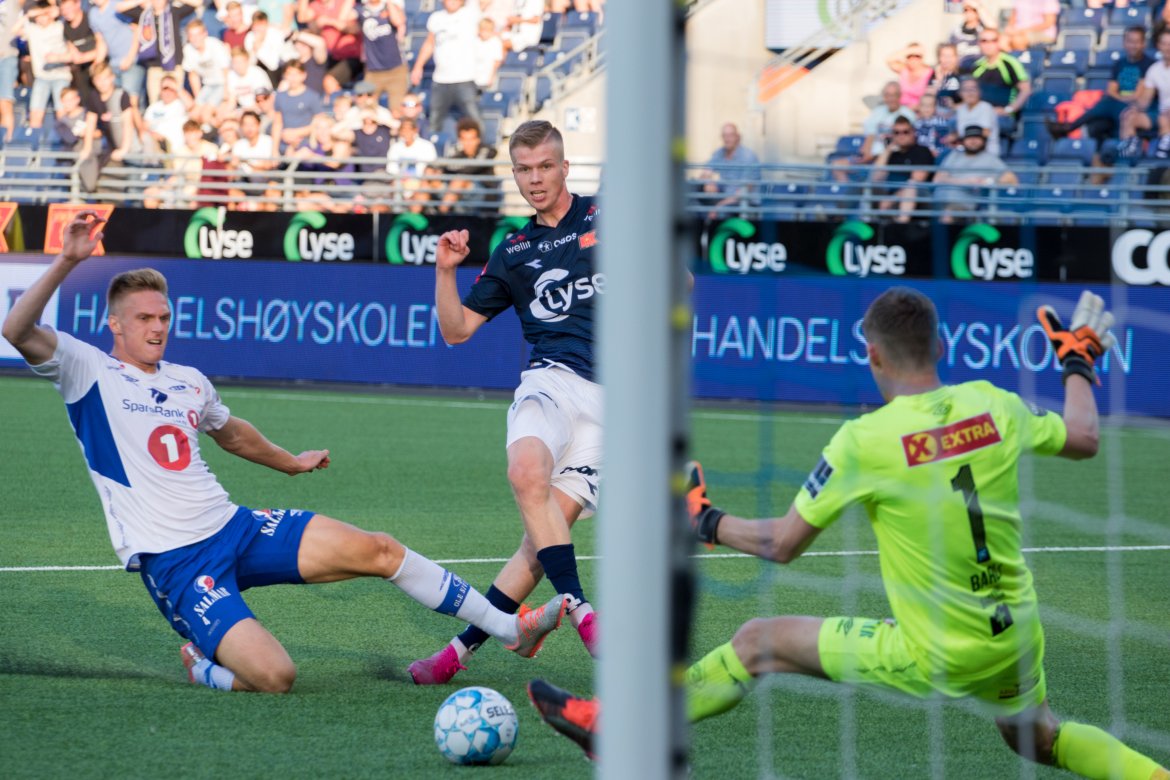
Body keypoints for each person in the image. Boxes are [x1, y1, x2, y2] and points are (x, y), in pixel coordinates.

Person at [527, 287, 1170, 780]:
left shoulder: (865, 441)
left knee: (757, 641)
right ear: (941, 349)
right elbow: (1084, 437)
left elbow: (782, 544)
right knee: (1037, 737)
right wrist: (1079, 363)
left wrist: (705, 520)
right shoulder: (992, 403)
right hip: (1014, 633)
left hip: (935, 649)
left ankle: (615, 728)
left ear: (872, 355)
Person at [0, 211, 568, 694]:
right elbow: (16, 329)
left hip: (235, 527)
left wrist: (289, 461)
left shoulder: (188, 380)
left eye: (164, 317)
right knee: (275, 677)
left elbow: (233, 434)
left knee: (379, 549)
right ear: (114, 322)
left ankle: (508, 629)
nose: (157, 328)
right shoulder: (87, 370)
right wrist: (68, 261)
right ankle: (206, 670)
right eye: (144, 318)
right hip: (176, 563)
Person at [407, 120, 600, 686]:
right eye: (524, 169)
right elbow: (457, 329)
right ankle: (585, 613)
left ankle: (456, 654)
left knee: (542, 545)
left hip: (617, 405)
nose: (535, 179)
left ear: (565, 167)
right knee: (525, 472)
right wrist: (445, 271)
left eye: (545, 166)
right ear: (513, 173)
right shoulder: (513, 250)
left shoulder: (608, 217)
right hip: (553, 381)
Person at [1047, 26, 1155, 151]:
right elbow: (1111, 90)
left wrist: (1117, 99)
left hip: (1134, 108)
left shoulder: (1149, 65)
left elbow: (1138, 95)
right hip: (1116, 105)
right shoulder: (1120, 63)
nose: (1133, 45)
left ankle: (1069, 127)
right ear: (1124, 43)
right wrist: (1118, 99)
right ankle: (1100, 158)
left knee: (1106, 104)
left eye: (1137, 42)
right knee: (1097, 126)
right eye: (1130, 41)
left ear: (1143, 43)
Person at [410, 0, 482, 135]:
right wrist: (418, 66)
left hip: (465, 78)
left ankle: (482, 150)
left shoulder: (471, 14)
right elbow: (429, 44)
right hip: (440, 79)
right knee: (434, 120)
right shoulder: (436, 18)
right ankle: (433, 150)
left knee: (474, 119)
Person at [933, 124, 1018, 222]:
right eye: (969, 138)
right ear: (963, 140)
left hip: (963, 204)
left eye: (977, 138)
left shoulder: (990, 159)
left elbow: (1012, 180)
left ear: (983, 140)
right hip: (937, 200)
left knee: (948, 214)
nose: (973, 141)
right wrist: (964, 182)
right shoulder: (954, 155)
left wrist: (988, 181)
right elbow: (937, 179)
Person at [1117, 27, 1170, 160]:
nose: (1168, 48)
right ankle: (1130, 154)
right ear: (1159, 46)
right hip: (1161, 113)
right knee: (1129, 117)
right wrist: (1134, 109)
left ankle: (1163, 154)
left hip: (1166, 115)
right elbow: (1145, 100)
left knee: (1165, 118)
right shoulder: (1154, 70)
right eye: (1165, 44)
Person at [870, 115, 934, 222]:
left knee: (911, 185)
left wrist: (892, 199)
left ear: (913, 133)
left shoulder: (921, 151)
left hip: (919, 196)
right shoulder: (892, 154)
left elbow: (917, 180)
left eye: (905, 132)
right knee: (866, 186)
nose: (901, 136)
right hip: (891, 196)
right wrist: (888, 150)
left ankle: (902, 225)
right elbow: (875, 177)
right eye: (896, 133)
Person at [700, 121, 761, 217]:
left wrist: (719, 206)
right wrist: (708, 181)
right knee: (695, 192)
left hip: (744, 201)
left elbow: (744, 191)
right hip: (725, 197)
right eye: (724, 136)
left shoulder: (748, 156)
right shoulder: (720, 152)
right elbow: (706, 171)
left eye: (730, 135)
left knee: (721, 211)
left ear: (738, 137)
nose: (727, 139)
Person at [359, 0, 409, 113]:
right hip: (373, 71)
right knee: (366, 111)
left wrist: (389, 3)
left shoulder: (390, 6)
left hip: (396, 70)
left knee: (397, 111)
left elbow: (399, 21)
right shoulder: (362, 9)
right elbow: (344, 19)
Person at [970, 29, 1031, 116]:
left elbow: (1026, 90)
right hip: (980, 114)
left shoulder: (1010, 63)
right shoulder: (977, 66)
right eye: (984, 41)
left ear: (999, 42)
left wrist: (1008, 110)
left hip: (1003, 116)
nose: (988, 45)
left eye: (993, 40)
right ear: (978, 43)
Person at [183, 18, 233, 126]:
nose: (195, 39)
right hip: (208, 85)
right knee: (194, 115)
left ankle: (211, 134)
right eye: (191, 35)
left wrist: (226, 94)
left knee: (206, 114)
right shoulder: (188, 49)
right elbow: (193, 75)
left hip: (221, 83)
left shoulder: (215, 45)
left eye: (198, 34)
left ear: (205, 33)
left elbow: (226, 71)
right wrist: (198, 99)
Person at [952, 77, 999, 155]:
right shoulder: (961, 109)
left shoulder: (986, 107)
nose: (970, 93)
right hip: (966, 153)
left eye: (973, 89)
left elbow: (984, 133)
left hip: (986, 153)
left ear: (979, 92)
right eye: (966, 90)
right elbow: (960, 132)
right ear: (960, 93)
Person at [886, 42, 933, 110]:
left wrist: (916, 107)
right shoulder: (904, 69)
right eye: (910, 56)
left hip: (920, 111)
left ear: (922, 57)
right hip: (900, 109)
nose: (913, 59)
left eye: (917, 56)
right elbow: (889, 60)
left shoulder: (929, 72)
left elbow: (931, 97)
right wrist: (909, 50)